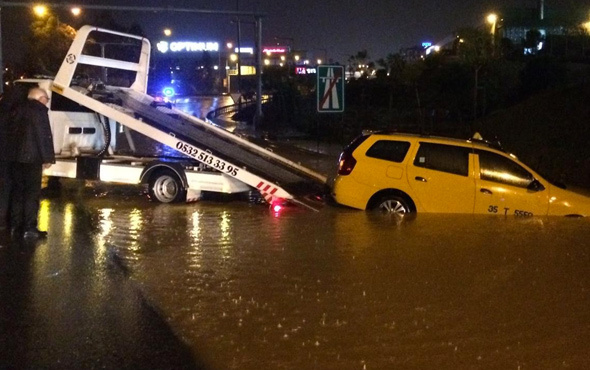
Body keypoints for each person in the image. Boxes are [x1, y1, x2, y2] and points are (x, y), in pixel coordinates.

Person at [9, 87, 55, 239]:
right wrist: (48, 158)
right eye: (46, 99)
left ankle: (15, 226)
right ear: (40, 98)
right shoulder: (38, 111)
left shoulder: (17, 108)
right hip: (32, 159)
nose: (47, 103)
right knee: (31, 193)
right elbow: (43, 136)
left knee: (17, 192)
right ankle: (29, 228)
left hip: (15, 158)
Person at [0, 85, 29, 232]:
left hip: (4, 155)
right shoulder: (17, 113)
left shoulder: (3, 110)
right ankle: (7, 220)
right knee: (10, 188)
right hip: (11, 156)